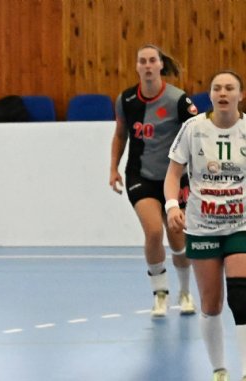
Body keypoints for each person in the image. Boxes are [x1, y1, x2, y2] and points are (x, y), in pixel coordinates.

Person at [165, 71, 246, 381]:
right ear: (210, 95)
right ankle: (219, 371)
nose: (223, 93)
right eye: (217, 88)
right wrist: (172, 205)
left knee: (242, 299)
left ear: (240, 95)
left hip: (241, 224)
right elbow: (173, 174)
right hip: (202, 225)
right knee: (211, 304)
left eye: (230, 88)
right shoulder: (193, 129)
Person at [110, 44, 198, 318]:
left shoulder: (178, 100)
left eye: (152, 61)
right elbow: (120, 135)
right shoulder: (126, 100)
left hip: (175, 179)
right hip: (140, 176)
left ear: (160, 65)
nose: (147, 65)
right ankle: (160, 294)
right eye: (142, 61)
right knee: (154, 232)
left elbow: (196, 136)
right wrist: (113, 169)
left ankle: (185, 292)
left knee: (178, 239)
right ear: (137, 67)